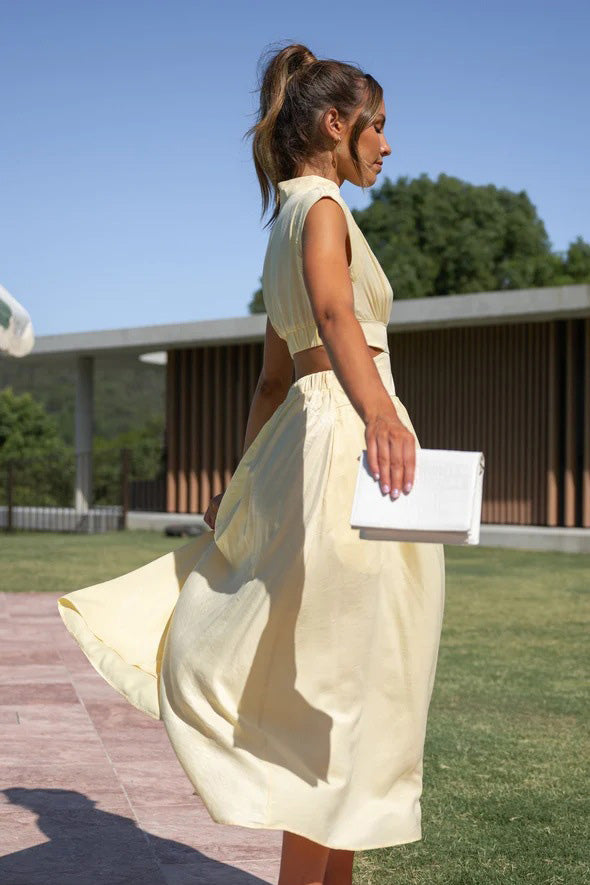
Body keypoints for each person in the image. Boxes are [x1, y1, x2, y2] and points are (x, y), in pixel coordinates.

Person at [58, 41, 446, 885]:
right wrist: (383, 412)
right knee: (345, 694)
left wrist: (240, 486)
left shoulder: (286, 224)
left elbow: (274, 381)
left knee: (336, 692)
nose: (387, 144)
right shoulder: (325, 210)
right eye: (378, 125)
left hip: (309, 440)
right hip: (349, 443)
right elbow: (337, 317)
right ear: (336, 124)